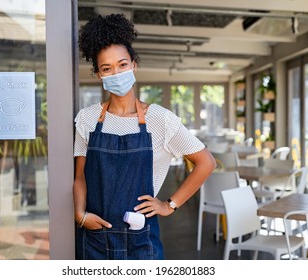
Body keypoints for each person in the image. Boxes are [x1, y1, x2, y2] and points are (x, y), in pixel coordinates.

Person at [73, 13, 216, 260]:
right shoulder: (86, 119)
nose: (116, 73)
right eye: (107, 68)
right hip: (94, 239)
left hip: (140, 241)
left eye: (122, 64)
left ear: (134, 65)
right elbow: (79, 178)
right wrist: (80, 215)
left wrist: (168, 205)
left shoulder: (160, 119)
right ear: (98, 74)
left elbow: (206, 162)